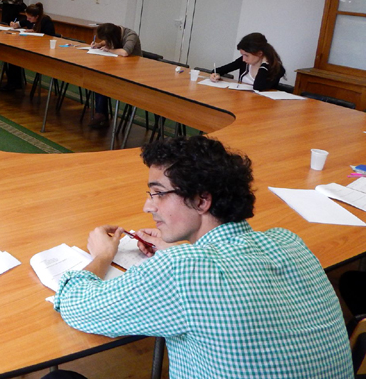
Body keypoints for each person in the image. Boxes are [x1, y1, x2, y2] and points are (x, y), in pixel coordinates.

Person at [53, 135, 352, 379]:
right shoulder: (289, 242)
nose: (148, 206)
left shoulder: (184, 270)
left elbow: (75, 305)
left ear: (201, 200)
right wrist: (178, 251)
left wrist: (102, 256)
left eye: (159, 193)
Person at [86, 23, 141, 127]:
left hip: (131, 72)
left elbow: (125, 52)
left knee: (104, 81)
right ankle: (101, 113)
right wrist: (99, 44)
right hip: (117, 68)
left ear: (113, 37)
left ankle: (100, 113)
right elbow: (105, 41)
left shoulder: (131, 36)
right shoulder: (115, 32)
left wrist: (109, 50)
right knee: (99, 77)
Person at [0, 2, 55, 91]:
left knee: (15, 57)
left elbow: (50, 36)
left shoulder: (46, 21)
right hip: (30, 46)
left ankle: (15, 83)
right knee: (12, 56)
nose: (27, 19)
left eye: (29, 18)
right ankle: (14, 83)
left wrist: (36, 32)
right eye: (27, 17)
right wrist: (15, 24)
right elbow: (20, 23)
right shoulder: (28, 19)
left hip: (42, 50)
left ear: (36, 17)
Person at [210, 32, 285, 91]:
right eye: (242, 55)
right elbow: (219, 70)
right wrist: (216, 74)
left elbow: (258, 87)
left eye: (246, 55)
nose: (243, 59)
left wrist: (264, 64)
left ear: (259, 53)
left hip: (262, 104)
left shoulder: (276, 68)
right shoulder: (244, 62)